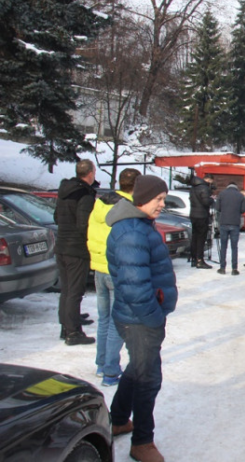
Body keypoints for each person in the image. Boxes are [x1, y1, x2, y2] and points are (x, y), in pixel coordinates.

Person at [106, 175, 178, 462]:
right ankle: (142, 442)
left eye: (163, 199)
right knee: (148, 379)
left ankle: (119, 419)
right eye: (158, 199)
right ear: (142, 199)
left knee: (137, 370)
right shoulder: (132, 232)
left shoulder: (140, 226)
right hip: (139, 319)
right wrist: (153, 318)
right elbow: (134, 287)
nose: (162, 204)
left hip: (140, 318)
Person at [87, 168, 140, 386]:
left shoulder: (99, 203)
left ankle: (101, 363)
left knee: (104, 319)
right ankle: (110, 370)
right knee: (117, 322)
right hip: (116, 270)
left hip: (99, 268)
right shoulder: (127, 208)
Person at [55, 159, 97, 345]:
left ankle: (66, 327)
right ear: (91, 172)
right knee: (75, 291)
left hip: (62, 246)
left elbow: (56, 217)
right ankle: (73, 332)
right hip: (76, 248)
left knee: (66, 290)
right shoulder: (85, 194)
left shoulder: (64, 191)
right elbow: (83, 224)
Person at [216, 182, 245, 275]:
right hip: (235, 223)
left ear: (227, 186)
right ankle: (234, 269)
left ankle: (222, 268)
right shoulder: (240, 196)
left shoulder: (221, 194)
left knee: (223, 246)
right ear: (236, 187)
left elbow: (217, 207)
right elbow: (244, 209)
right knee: (234, 247)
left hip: (224, 222)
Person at [189, 174, 214, 269]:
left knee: (195, 237)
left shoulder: (193, 188)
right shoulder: (204, 188)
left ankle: (194, 259)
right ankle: (200, 260)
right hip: (202, 215)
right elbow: (206, 202)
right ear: (208, 179)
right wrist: (212, 199)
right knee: (201, 238)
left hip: (193, 214)